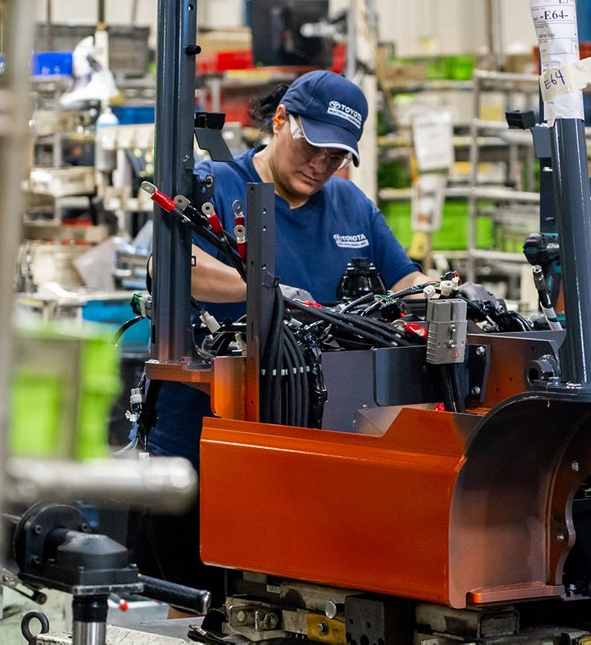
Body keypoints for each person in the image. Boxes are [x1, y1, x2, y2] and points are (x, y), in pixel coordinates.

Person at [131, 69, 428, 598]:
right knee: (190, 605)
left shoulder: (349, 205)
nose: (321, 164)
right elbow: (174, 266)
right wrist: (269, 292)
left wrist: (443, 295)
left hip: (308, 451)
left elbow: (404, 279)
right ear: (281, 121)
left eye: (337, 156)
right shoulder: (216, 184)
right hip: (202, 447)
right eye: (312, 146)